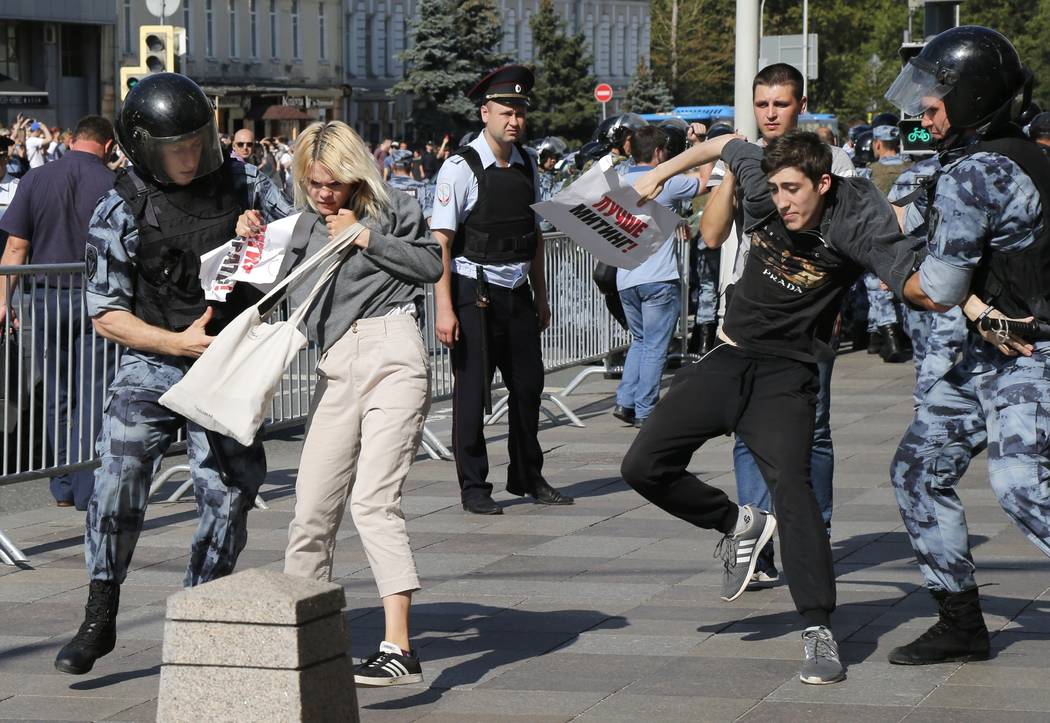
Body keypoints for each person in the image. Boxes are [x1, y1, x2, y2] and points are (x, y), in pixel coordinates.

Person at [625, 129, 923, 685]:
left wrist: (975, 307)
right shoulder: (763, 185)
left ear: (822, 184)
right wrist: (658, 176)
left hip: (786, 378)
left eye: (793, 191)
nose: (782, 202)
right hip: (727, 358)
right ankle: (737, 522)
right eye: (777, 190)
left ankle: (818, 628)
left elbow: (911, 277)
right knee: (641, 467)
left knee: (794, 489)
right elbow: (722, 145)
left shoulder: (852, 225)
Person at [52, 73, 294, 676]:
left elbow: (304, 241)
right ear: (143, 150)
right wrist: (177, 342)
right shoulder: (119, 207)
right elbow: (107, 316)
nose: (189, 159)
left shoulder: (247, 183)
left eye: (195, 144)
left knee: (227, 497)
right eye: (175, 150)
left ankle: (197, 616)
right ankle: (100, 612)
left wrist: (263, 234)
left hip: (228, 362)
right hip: (154, 358)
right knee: (117, 479)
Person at [884, 25, 1050, 666]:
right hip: (993, 350)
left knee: (1020, 481)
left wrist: (880, 257)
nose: (924, 116)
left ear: (972, 96)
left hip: (1030, 354)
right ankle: (960, 623)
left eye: (934, 102)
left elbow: (939, 288)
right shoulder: (1024, 154)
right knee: (918, 469)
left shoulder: (976, 172)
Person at [261, 121, 442, 686]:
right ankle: (303, 639)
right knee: (311, 509)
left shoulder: (395, 208)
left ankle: (399, 648)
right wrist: (251, 241)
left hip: (392, 349)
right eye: (313, 182)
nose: (323, 193)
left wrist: (365, 236)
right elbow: (277, 297)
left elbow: (431, 266)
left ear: (355, 175)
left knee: (373, 502)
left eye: (333, 183)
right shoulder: (301, 227)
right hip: (335, 364)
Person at [699, 63, 855, 590]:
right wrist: (733, 167)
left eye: (780, 104)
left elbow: (849, 241)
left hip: (809, 318)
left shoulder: (832, 163)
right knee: (747, 429)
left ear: (801, 106)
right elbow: (711, 235)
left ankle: (815, 535)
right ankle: (757, 545)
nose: (770, 114)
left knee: (813, 430)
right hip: (747, 312)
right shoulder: (745, 159)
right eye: (762, 104)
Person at [431, 65, 573, 515]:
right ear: (485, 113)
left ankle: (526, 474)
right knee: (473, 395)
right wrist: (444, 309)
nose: (514, 120)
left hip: (517, 292)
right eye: (506, 112)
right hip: (475, 292)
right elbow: (442, 243)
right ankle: (474, 486)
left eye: (520, 113)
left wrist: (541, 295)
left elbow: (533, 235)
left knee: (528, 387)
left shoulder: (527, 162)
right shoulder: (460, 168)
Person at [0, 116, 118, 509]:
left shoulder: (35, 179)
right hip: (96, 299)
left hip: (46, 297)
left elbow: (16, 247)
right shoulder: (113, 183)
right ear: (108, 145)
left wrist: (2, 301)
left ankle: (63, 484)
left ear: (72, 140)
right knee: (93, 392)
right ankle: (86, 486)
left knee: (56, 392)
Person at [613, 126, 703, 428]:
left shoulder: (620, 182)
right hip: (658, 278)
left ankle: (625, 401)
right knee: (654, 346)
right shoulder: (666, 181)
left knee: (640, 341)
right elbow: (706, 181)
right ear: (658, 152)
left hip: (626, 278)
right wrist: (700, 143)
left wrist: (674, 220)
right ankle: (645, 409)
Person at [862, 118, 912, 363]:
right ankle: (879, 336)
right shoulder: (912, 168)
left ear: (878, 144)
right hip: (909, 235)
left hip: (879, 235)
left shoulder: (869, 172)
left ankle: (890, 338)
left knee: (876, 287)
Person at [387, 148, 434, 221]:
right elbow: (429, 218)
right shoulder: (422, 188)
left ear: (393, 166)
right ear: (411, 165)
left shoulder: (383, 188)